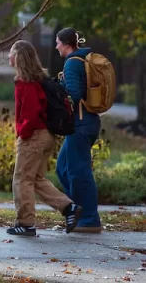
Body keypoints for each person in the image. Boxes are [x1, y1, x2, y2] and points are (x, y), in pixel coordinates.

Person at [7, 40, 82, 237]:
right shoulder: (37, 81)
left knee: (21, 179)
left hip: (34, 136)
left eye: (11, 53)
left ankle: (26, 223)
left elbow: (31, 115)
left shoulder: (27, 83)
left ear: (19, 57)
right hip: (45, 135)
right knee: (36, 179)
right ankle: (68, 208)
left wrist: (22, 133)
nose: (8, 57)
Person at [55, 27, 103, 233]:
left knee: (79, 172)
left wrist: (57, 91)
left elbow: (73, 94)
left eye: (57, 42)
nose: (56, 46)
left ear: (66, 44)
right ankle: (77, 214)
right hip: (86, 123)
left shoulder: (73, 63)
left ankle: (90, 219)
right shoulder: (80, 60)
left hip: (81, 124)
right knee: (63, 168)